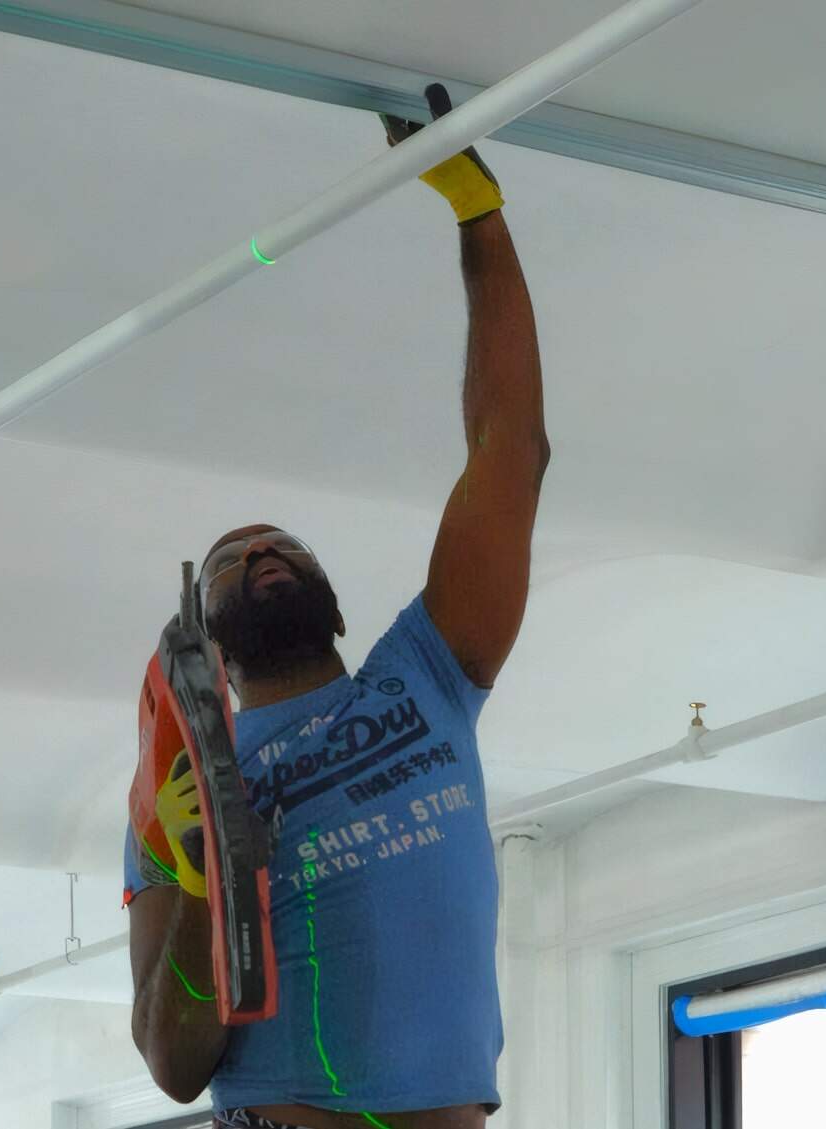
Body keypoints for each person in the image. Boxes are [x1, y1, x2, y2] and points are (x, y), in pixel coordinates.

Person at [124, 85, 549, 1129]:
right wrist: (192, 880)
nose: (260, 551)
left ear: (338, 606)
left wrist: (478, 219)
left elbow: (511, 450)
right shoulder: (178, 788)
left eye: (281, 546)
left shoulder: (432, 671)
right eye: (233, 561)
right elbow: (174, 1064)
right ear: (211, 641)